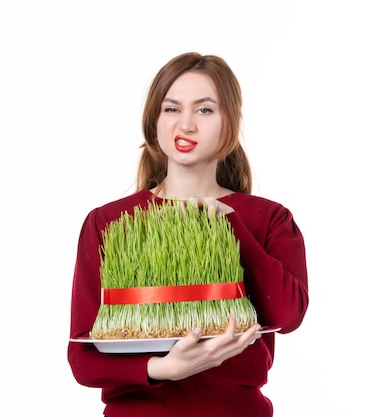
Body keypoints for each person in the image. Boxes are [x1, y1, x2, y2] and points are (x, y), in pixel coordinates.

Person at [67, 52, 309, 417]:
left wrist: (230, 227)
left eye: (205, 110)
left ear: (230, 122)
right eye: (171, 109)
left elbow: (288, 315)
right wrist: (162, 369)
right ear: (154, 121)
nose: (186, 125)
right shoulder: (109, 222)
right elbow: (82, 359)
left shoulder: (269, 218)